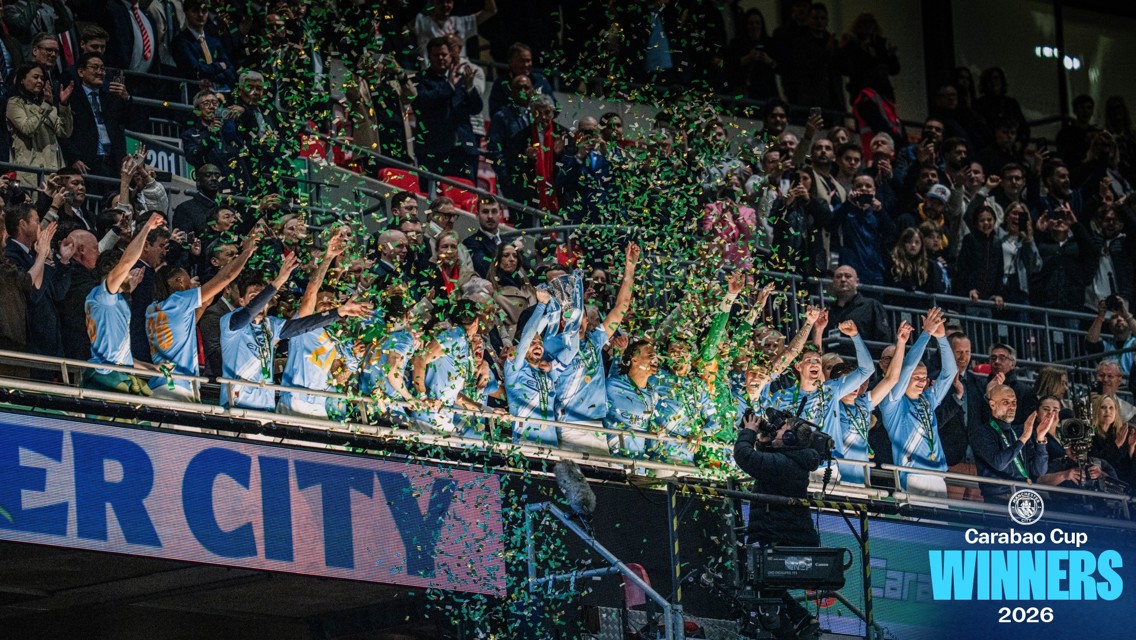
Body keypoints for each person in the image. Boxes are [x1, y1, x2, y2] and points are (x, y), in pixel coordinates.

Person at [733, 409, 822, 640]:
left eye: (781, 429)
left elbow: (745, 457)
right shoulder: (792, 459)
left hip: (780, 537)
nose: (775, 430)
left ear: (791, 438)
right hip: (778, 534)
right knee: (768, 588)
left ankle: (796, 625)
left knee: (765, 588)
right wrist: (764, 442)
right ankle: (802, 620)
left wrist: (748, 433)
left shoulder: (787, 463)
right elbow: (768, 467)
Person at [145, 227, 259, 400]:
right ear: (179, 282)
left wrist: (205, 300)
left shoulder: (153, 309)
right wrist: (247, 252)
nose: (192, 285)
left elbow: (195, 316)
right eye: (188, 280)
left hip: (160, 385)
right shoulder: (179, 301)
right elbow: (224, 279)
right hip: (177, 388)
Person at [878, 307, 957, 496]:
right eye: (917, 377)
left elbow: (950, 372)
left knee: (941, 526)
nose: (922, 381)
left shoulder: (928, 400)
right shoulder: (891, 403)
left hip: (938, 474)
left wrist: (941, 338)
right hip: (912, 474)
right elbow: (907, 368)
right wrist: (925, 334)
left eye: (924, 377)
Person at [82, 213, 164, 393]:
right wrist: (147, 227)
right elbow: (126, 261)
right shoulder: (103, 296)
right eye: (125, 270)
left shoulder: (117, 299)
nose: (131, 272)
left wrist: (153, 369)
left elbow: (121, 356)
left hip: (119, 372)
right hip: (106, 378)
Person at [829, 322, 912, 485]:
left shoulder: (864, 403)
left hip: (862, 479)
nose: (855, 387)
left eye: (856, 382)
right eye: (848, 383)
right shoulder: (830, 404)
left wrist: (901, 343)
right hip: (835, 478)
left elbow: (891, 379)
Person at [972, 385, 1051, 501]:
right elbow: (999, 462)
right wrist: (1023, 438)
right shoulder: (982, 432)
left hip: (1026, 496)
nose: (1012, 407)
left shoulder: (1020, 431)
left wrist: (1040, 439)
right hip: (999, 499)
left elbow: (1039, 470)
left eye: (1014, 402)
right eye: (1006, 402)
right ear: (992, 405)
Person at [59, 52, 129, 184]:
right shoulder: (72, 97)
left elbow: (127, 122)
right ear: (81, 72)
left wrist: (127, 99)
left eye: (102, 68)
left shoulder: (111, 97)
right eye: (94, 67)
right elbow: (63, 130)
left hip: (113, 163)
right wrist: (73, 158)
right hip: (85, 163)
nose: (100, 72)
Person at [6, 62, 73, 187]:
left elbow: (65, 132)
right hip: (30, 169)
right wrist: (46, 105)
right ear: (22, 80)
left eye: (42, 78)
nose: (40, 81)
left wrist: (64, 106)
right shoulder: (15, 103)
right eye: (35, 77)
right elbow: (27, 128)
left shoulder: (48, 106)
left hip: (53, 168)